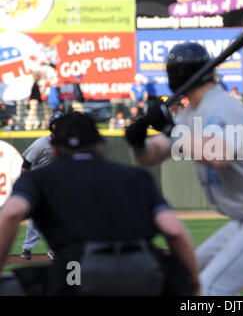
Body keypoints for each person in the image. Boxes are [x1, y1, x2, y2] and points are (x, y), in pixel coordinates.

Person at [125, 42, 243, 296]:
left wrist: (170, 128)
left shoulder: (221, 107)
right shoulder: (191, 112)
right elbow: (153, 155)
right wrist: (137, 143)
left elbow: (217, 154)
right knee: (185, 276)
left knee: (210, 289)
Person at [0, 112, 199, 296]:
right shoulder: (138, 176)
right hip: (144, 269)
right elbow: (173, 230)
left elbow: (11, 213)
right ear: (98, 146)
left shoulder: (38, 178)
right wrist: (194, 285)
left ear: (54, 150)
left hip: (79, 270)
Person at [20, 111, 64, 261]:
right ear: (51, 126)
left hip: (56, 185)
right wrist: (25, 183)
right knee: (36, 217)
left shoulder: (65, 144)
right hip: (38, 183)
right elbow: (26, 164)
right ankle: (27, 247)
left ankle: (54, 249)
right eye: (56, 124)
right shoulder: (41, 143)